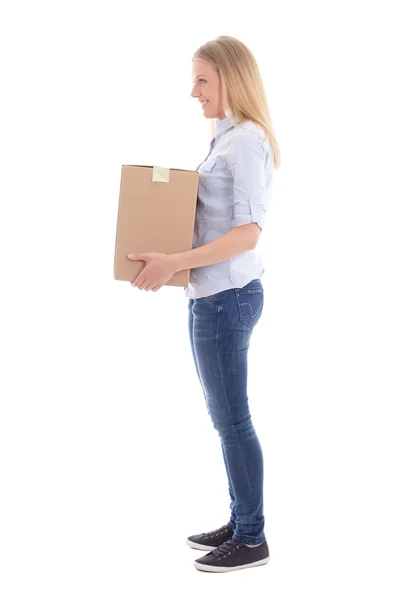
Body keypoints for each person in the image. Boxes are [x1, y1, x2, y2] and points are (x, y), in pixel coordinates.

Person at [128, 35, 281, 573]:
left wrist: (174, 261)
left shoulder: (245, 143)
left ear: (229, 80)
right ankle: (242, 519)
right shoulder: (227, 137)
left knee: (233, 420)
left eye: (201, 80)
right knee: (226, 419)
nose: (192, 91)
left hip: (226, 296)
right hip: (216, 295)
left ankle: (252, 537)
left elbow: (248, 233)